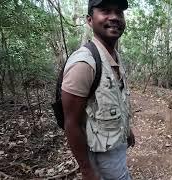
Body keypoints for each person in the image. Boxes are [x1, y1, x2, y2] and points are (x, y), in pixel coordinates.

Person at [61, 0, 134, 179]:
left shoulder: (114, 56)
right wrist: (86, 170)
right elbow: (71, 123)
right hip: (100, 158)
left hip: (117, 147)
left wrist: (127, 131)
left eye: (119, 12)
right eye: (105, 10)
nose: (115, 17)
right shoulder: (83, 63)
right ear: (89, 20)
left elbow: (115, 98)